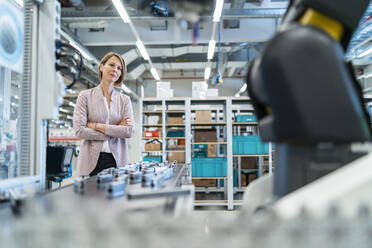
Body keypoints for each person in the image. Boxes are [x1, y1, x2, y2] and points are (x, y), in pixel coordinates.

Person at [73, 52, 134, 176]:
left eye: (119, 68)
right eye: (111, 65)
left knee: (116, 194)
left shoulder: (125, 100)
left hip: (117, 161)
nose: (115, 70)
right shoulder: (85, 96)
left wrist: (96, 126)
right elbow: (79, 130)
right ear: (101, 67)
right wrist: (116, 131)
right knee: (90, 195)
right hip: (90, 160)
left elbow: (129, 131)